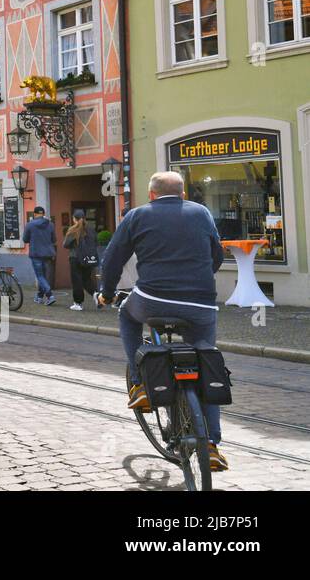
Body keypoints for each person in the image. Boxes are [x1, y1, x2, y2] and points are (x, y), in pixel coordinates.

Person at [100, 171, 228, 472]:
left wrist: (106, 293)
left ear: (152, 195)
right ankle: (210, 445)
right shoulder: (201, 213)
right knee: (206, 361)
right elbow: (217, 256)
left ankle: (139, 384)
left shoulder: (137, 215)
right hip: (200, 303)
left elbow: (113, 257)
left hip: (152, 299)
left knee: (126, 315)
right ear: (183, 194)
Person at [64, 209, 103, 311]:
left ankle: (78, 303)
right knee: (86, 279)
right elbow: (96, 242)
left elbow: (66, 244)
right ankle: (96, 294)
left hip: (75, 258)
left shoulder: (73, 230)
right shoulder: (90, 229)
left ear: (74, 219)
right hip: (88, 259)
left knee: (77, 281)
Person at [22, 206, 57, 305]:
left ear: (35, 214)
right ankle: (39, 296)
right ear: (43, 214)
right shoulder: (50, 224)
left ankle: (50, 295)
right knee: (43, 276)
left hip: (36, 253)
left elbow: (25, 239)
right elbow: (54, 240)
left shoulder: (30, 225)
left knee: (40, 276)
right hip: (48, 254)